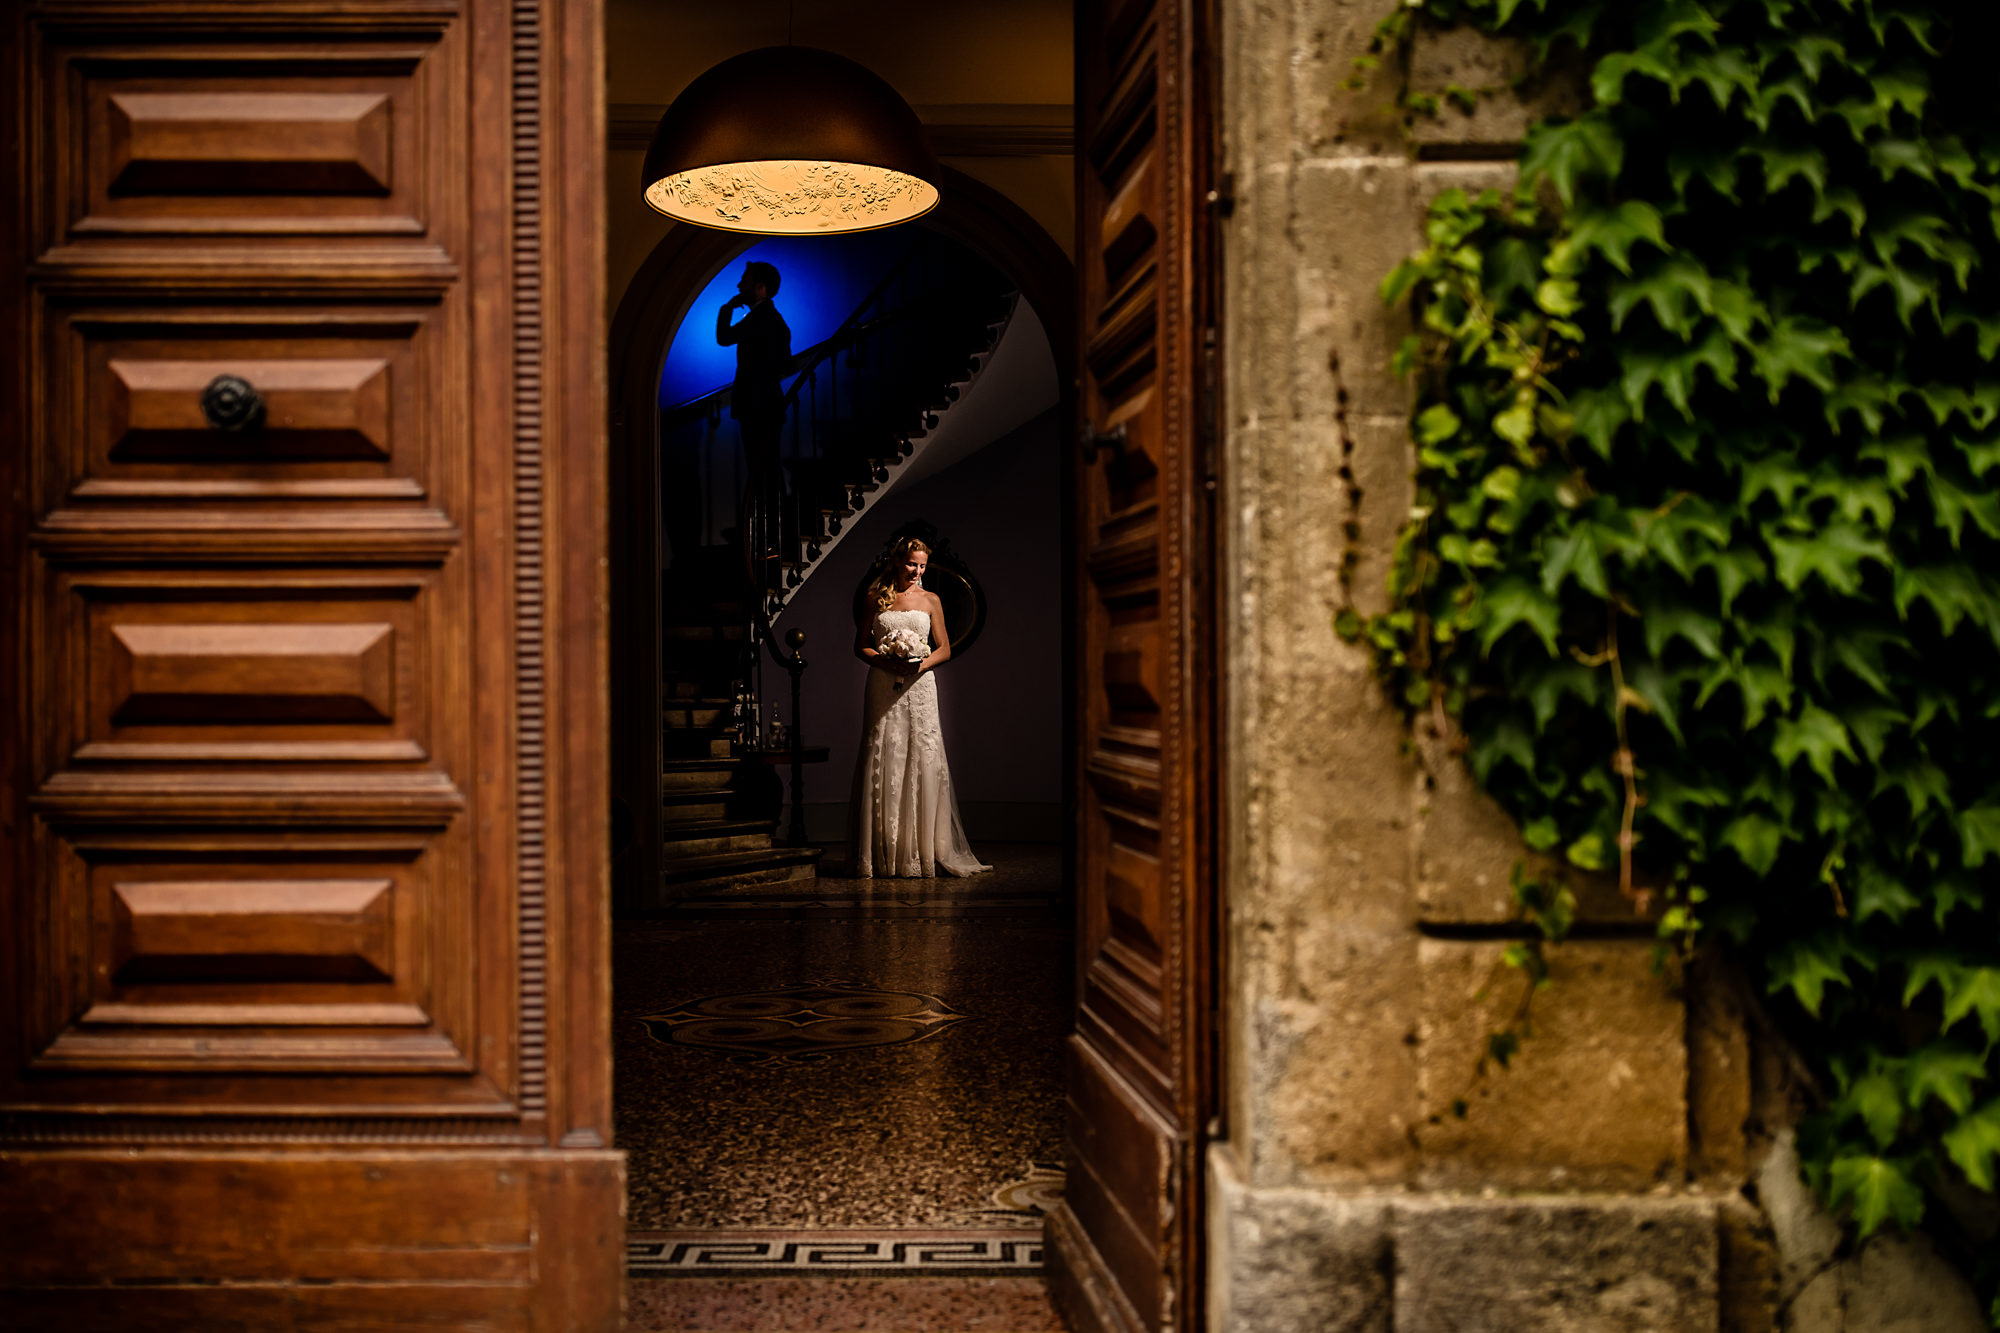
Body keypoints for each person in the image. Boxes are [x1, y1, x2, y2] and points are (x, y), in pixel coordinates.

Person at [847, 536, 989, 877]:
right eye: (912, 563)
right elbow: (860, 645)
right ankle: (883, 853)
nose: (917, 571)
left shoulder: (931, 600)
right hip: (883, 684)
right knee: (884, 753)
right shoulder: (875, 597)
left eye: (922, 565)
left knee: (923, 755)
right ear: (898, 561)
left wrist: (918, 665)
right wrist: (886, 661)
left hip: (920, 685)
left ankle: (922, 851)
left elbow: (944, 648)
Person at [715, 260, 791, 561]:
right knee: (765, 471)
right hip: (763, 406)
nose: (739, 285)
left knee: (763, 472)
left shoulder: (763, 318)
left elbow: (724, 337)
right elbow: (784, 361)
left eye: (745, 280)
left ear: (760, 287)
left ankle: (771, 540)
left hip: (759, 407)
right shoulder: (770, 318)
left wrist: (727, 308)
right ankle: (770, 539)